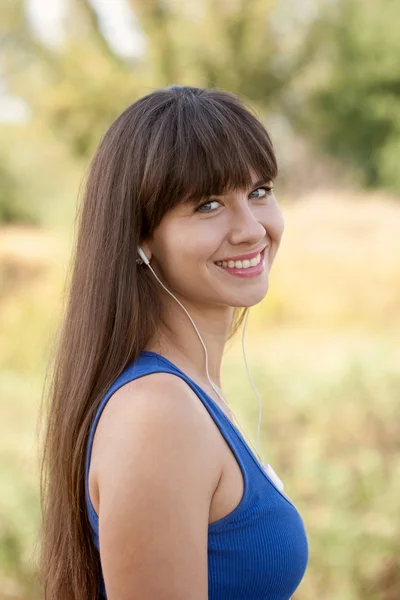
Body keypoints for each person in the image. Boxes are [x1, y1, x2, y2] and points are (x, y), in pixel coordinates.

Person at [38, 85, 309, 600]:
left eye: (259, 191)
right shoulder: (156, 414)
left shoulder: (190, 387)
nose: (251, 229)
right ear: (141, 237)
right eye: (208, 205)